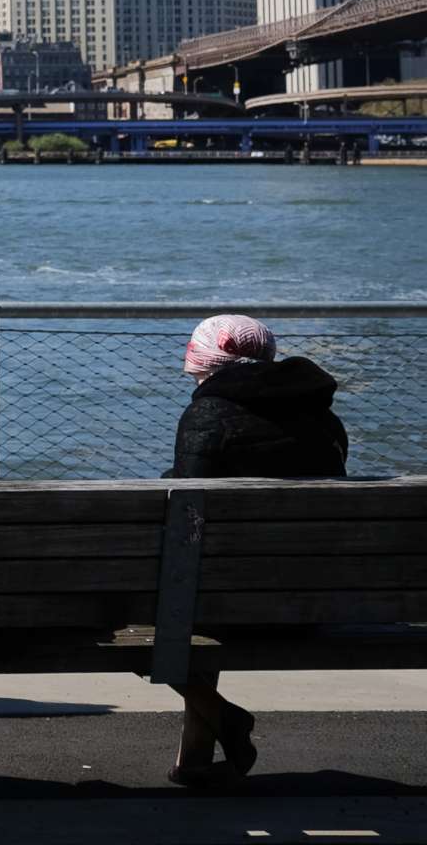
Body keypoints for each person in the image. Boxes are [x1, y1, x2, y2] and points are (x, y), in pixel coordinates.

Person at [164, 314, 346, 786]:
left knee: (134, 620)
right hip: (313, 603)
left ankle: (226, 718)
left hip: (224, 606)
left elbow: (186, 510)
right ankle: (200, 755)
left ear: (203, 359)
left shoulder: (207, 416)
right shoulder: (322, 416)